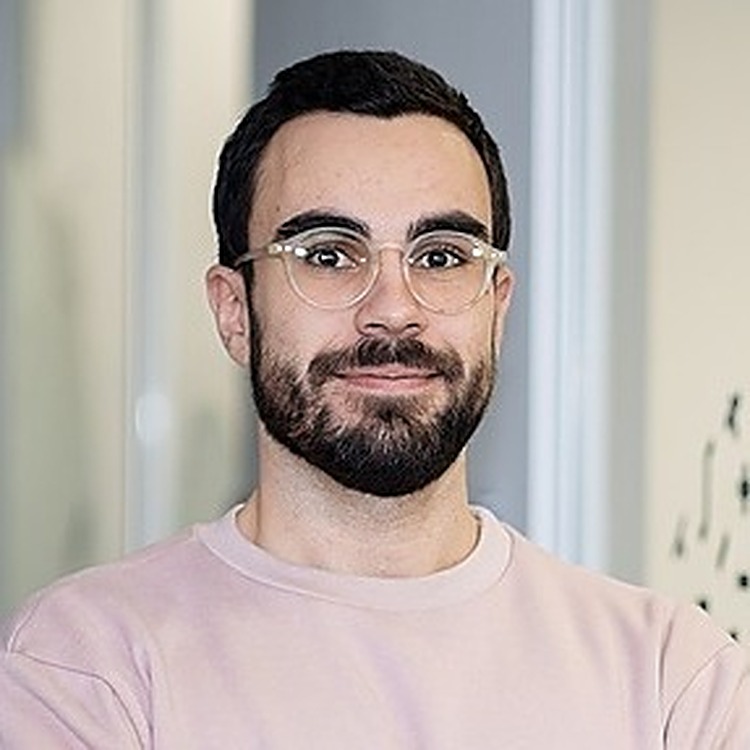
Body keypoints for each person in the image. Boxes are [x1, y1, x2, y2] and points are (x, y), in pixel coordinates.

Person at [0, 49, 747, 749]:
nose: (393, 309)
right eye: (327, 255)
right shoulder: (87, 671)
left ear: (497, 305)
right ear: (234, 312)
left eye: (442, 256)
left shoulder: (674, 682)